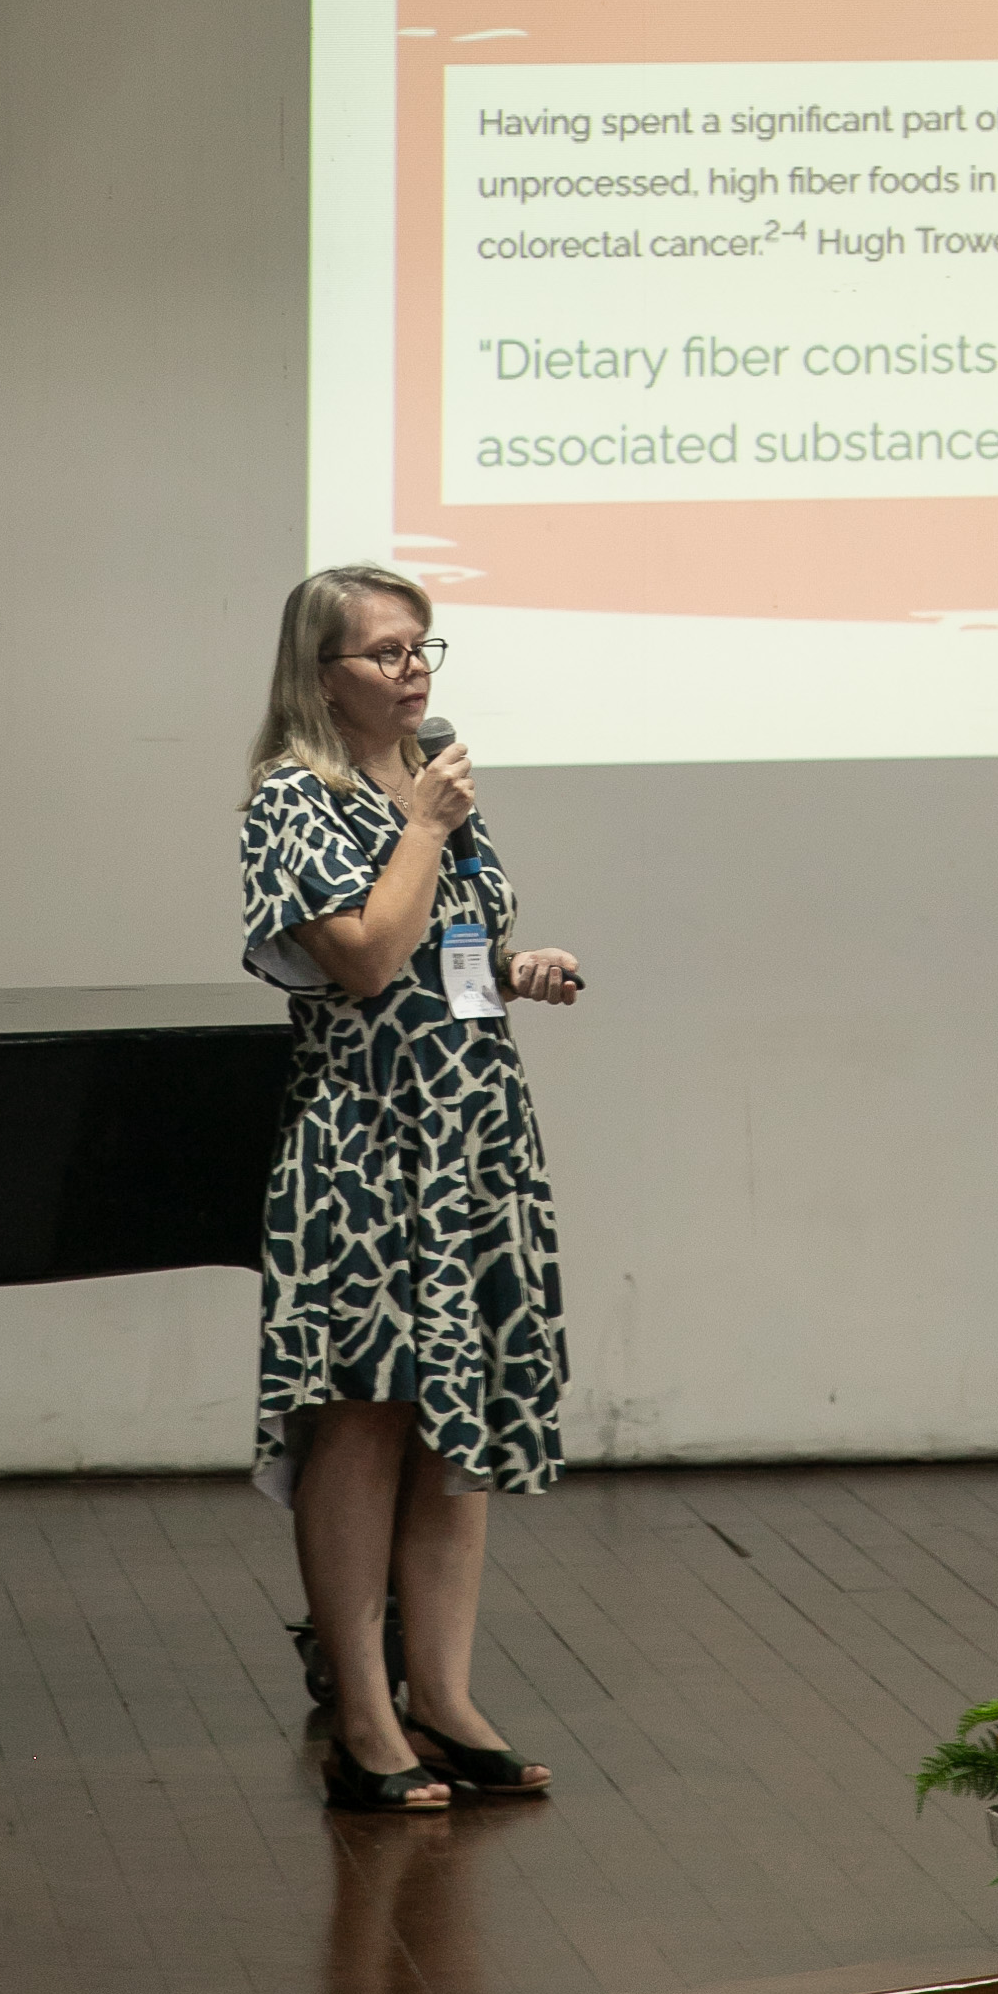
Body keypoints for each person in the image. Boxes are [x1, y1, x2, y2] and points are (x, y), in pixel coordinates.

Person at [241, 565, 581, 1813]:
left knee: (458, 1413)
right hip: (367, 1147)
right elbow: (369, 962)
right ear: (320, 674)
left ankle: (442, 1697)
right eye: (385, 653)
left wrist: (514, 968)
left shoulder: (431, 780)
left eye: (423, 647)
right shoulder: (293, 802)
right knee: (366, 1411)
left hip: (472, 1136)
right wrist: (426, 828)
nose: (413, 671)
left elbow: (451, 953)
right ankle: (365, 1719)